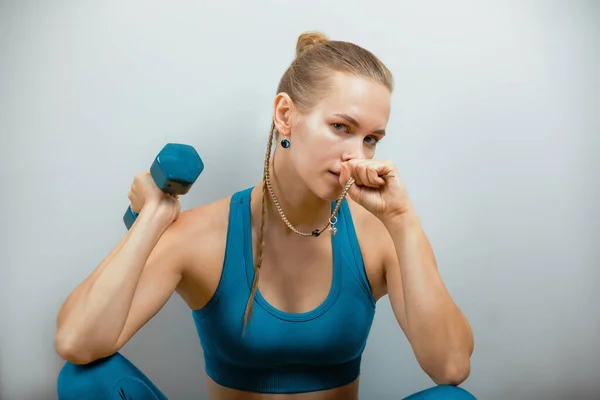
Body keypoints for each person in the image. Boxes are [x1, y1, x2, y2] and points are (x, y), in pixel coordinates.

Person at [54, 32, 476, 400]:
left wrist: (402, 218)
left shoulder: (377, 236)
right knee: (86, 380)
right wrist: (153, 219)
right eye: (341, 128)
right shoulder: (205, 235)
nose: (356, 154)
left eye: (371, 139)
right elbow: (76, 342)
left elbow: (451, 369)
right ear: (285, 115)